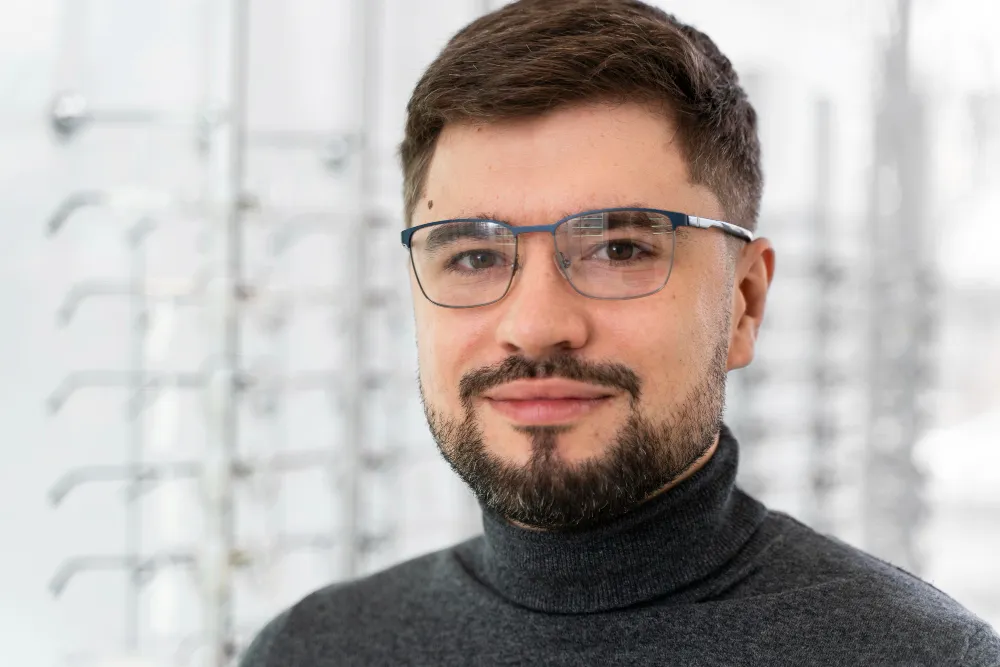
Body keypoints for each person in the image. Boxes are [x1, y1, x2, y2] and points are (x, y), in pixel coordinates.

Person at [240, 1, 1000, 664]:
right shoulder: (313, 648)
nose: (536, 325)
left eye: (619, 249)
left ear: (743, 303)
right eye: (473, 254)